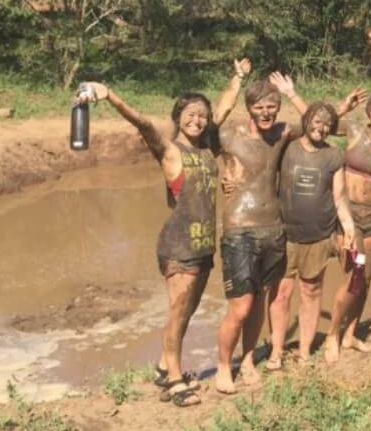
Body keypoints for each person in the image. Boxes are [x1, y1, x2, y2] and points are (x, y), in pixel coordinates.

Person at [77, 58, 250, 407]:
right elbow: (141, 122)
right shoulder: (169, 150)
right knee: (177, 310)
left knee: (187, 311)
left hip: (203, 244)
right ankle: (173, 380)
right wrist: (108, 94)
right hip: (177, 245)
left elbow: (225, 107)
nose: (198, 119)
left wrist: (238, 78)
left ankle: (161, 365)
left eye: (202, 115)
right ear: (177, 117)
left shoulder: (205, 148)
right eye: (190, 114)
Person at [215, 76, 361, 393]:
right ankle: (224, 366)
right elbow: (203, 138)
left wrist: (337, 107)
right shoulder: (229, 135)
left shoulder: (283, 135)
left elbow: (317, 123)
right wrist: (235, 82)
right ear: (249, 107)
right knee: (243, 305)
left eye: (272, 106)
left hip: (273, 230)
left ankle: (251, 359)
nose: (266, 112)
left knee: (263, 298)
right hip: (239, 229)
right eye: (259, 106)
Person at [266, 102, 356, 368]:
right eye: (317, 121)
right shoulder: (287, 147)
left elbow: (339, 196)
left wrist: (348, 227)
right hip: (285, 235)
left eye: (327, 123)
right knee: (281, 292)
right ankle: (276, 351)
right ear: (305, 121)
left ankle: (304, 351)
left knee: (311, 290)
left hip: (319, 235)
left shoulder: (333, 155)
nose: (322, 127)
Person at [323, 89, 371, 362]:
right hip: (348, 213)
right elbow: (320, 122)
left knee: (364, 277)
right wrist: (342, 106)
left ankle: (350, 334)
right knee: (352, 276)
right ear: (369, 114)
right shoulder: (354, 130)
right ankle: (332, 334)